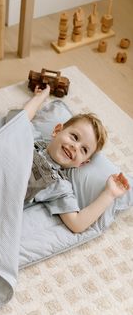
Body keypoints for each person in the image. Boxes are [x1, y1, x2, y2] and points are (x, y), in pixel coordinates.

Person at [23, 85, 130, 233]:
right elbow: (21, 119)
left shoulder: (58, 184)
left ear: (82, 163)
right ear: (57, 130)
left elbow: (77, 224)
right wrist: (40, 97)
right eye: (74, 137)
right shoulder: (34, 139)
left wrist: (109, 193)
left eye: (84, 149)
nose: (75, 147)